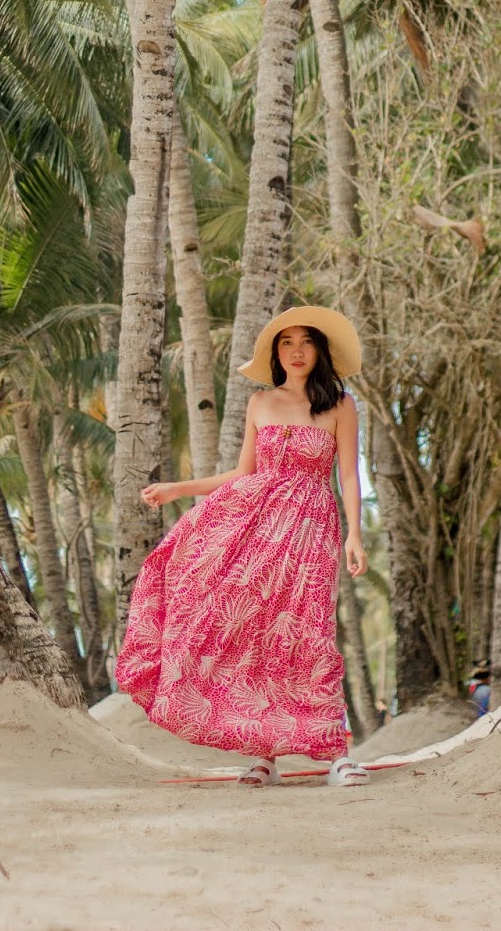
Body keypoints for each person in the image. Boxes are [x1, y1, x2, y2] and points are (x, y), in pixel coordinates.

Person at [115, 305, 370, 789]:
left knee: (308, 631)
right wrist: (178, 489)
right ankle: (263, 756)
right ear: (276, 353)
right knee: (254, 634)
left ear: (320, 350)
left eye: (305, 341)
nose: (296, 351)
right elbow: (243, 474)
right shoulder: (260, 403)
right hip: (253, 525)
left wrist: (354, 533)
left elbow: (348, 475)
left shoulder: (340, 404)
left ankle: (337, 753)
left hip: (309, 526)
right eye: (286, 342)